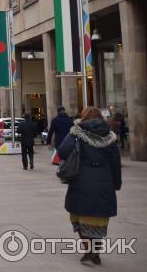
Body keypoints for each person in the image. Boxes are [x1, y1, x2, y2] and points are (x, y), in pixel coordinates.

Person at [57, 107, 121, 265]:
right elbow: (116, 163)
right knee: (99, 218)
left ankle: (89, 251)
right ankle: (95, 252)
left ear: (83, 118)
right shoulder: (110, 136)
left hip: (81, 181)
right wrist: (116, 183)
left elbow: (63, 151)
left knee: (79, 217)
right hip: (104, 181)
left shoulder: (76, 132)